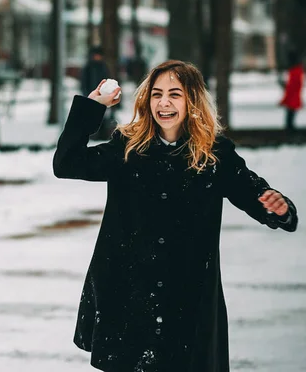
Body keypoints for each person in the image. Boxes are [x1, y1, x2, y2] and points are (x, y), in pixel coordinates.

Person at [53, 60, 298, 372]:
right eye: (156, 94)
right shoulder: (128, 149)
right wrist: (92, 107)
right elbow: (67, 164)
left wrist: (277, 207)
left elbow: (253, 193)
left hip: (188, 300)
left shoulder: (214, 154)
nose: (163, 102)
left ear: (192, 100)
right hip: (129, 294)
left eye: (174, 94)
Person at [80, 46, 116, 139]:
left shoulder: (103, 66)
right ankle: (95, 134)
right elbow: (84, 82)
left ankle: (103, 134)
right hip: (92, 94)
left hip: (103, 95)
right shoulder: (88, 67)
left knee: (104, 115)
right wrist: (87, 95)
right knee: (94, 116)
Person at [280, 51, 303, 131]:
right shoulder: (297, 71)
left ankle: (290, 133)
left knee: (289, 118)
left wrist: (285, 99)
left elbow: (291, 87)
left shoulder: (294, 72)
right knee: (290, 118)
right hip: (294, 97)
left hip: (292, 98)